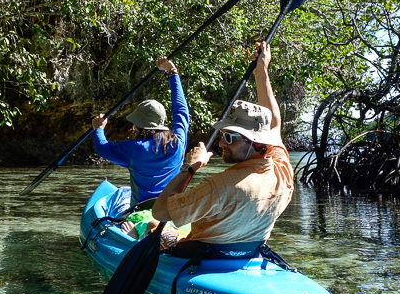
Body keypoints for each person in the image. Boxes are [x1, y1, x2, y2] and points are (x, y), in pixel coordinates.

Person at [150, 42, 293, 249]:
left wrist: (191, 167)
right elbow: (274, 121)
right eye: (223, 135)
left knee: (151, 224)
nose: (220, 143)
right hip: (245, 252)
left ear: (255, 142)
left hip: (201, 256)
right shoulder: (282, 172)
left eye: (229, 137)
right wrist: (261, 71)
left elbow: (161, 211)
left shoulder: (219, 187)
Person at [91, 56, 189, 216]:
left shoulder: (134, 149)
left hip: (141, 213)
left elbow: (102, 148)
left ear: (138, 125)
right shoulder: (178, 142)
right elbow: (181, 109)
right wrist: (173, 72)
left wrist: (99, 129)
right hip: (171, 212)